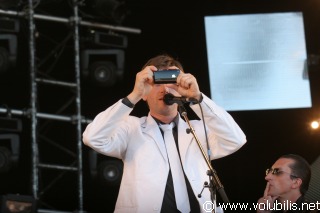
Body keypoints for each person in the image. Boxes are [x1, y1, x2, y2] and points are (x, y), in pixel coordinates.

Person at [82, 54, 247, 213]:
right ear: (145, 93)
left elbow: (236, 139)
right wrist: (134, 95)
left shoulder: (198, 129)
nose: (165, 89)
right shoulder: (132, 128)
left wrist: (197, 98)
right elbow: (93, 137)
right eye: (158, 82)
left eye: (172, 81)